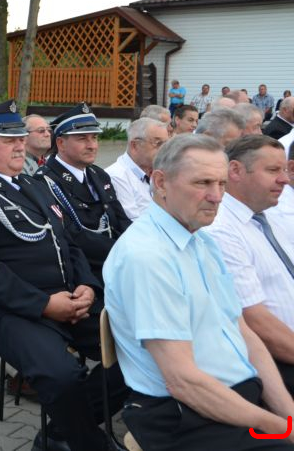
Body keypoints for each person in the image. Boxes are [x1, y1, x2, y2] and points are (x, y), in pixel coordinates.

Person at [0, 100, 127, 451]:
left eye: (20, 139)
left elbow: (69, 244)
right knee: (62, 374)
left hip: (66, 302)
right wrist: (44, 304)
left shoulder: (32, 185)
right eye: (9, 140)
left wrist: (87, 286)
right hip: (5, 311)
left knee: (136, 350)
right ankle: (88, 442)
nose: (19, 145)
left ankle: (60, 433)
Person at [104, 134, 294, 450]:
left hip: (235, 396)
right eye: (202, 183)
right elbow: (184, 382)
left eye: (221, 183)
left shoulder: (201, 240)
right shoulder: (147, 257)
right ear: (161, 183)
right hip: (185, 414)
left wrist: (287, 413)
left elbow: (244, 332)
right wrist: (281, 427)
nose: (217, 196)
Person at [204, 135, 294, 394]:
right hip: (273, 361)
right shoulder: (221, 230)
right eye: (273, 170)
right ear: (235, 171)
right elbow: (255, 322)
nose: (284, 179)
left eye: (284, 170)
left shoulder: (266, 215)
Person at [35, 103, 132, 281]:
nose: (92, 145)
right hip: (85, 274)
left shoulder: (98, 174)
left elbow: (120, 219)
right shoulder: (45, 181)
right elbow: (72, 237)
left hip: (119, 263)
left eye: (94, 138)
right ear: (61, 143)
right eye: (82, 139)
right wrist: (125, 252)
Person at [105, 118, 168, 220]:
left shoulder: (157, 171)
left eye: (166, 144)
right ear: (135, 145)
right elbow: (133, 224)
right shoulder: (117, 176)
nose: (164, 150)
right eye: (158, 143)